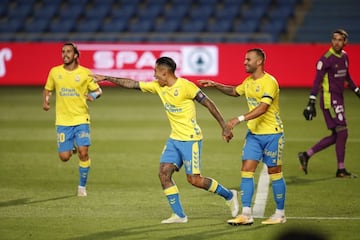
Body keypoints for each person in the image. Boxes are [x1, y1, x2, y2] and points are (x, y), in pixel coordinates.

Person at [90, 56, 239, 224]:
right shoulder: (158, 87)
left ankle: (229, 195)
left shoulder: (186, 86)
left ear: (165, 72)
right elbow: (132, 84)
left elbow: (209, 103)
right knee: (163, 173)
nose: (154, 76)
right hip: (174, 139)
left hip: (191, 139)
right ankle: (179, 215)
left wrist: (224, 126)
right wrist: (107, 78)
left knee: (194, 180)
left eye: (156, 72)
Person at [198, 48, 286, 225]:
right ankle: (246, 214)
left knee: (274, 172)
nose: (245, 62)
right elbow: (234, 91)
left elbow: (263, 108)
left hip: (272, 134)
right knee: (247, 169)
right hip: (254, 134)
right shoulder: (248, 81)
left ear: (259, 61)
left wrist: (237, 119)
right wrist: (215, 84)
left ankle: (280, 214)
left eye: (248, 59)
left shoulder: (270, 82)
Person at [42, 42, 102, 197]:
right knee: (64, 157)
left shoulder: (85, 73)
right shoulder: (55, 72)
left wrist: (92, 95)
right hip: (63, 121)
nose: (65, 54)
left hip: (81, 118)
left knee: (83, 152)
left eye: (68, 51)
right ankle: (72, 148)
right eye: (63, 51)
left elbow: (98, 90)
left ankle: (82, 187)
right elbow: (48, 89)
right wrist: (46, 101)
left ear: (75, 55)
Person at [298, 29, 360, 178]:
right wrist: (311, 101)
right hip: (329, 100)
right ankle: (340, 169)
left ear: (345, 42)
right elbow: (317, 80)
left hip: (339, 99)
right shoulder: (326, 59)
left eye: (340, 40)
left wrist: (357, 90)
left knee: (336, 135)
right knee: (343, 132)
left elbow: (347, 77)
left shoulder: (344, 57)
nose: (336, 42)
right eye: (334, 39)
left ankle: (306, 154)